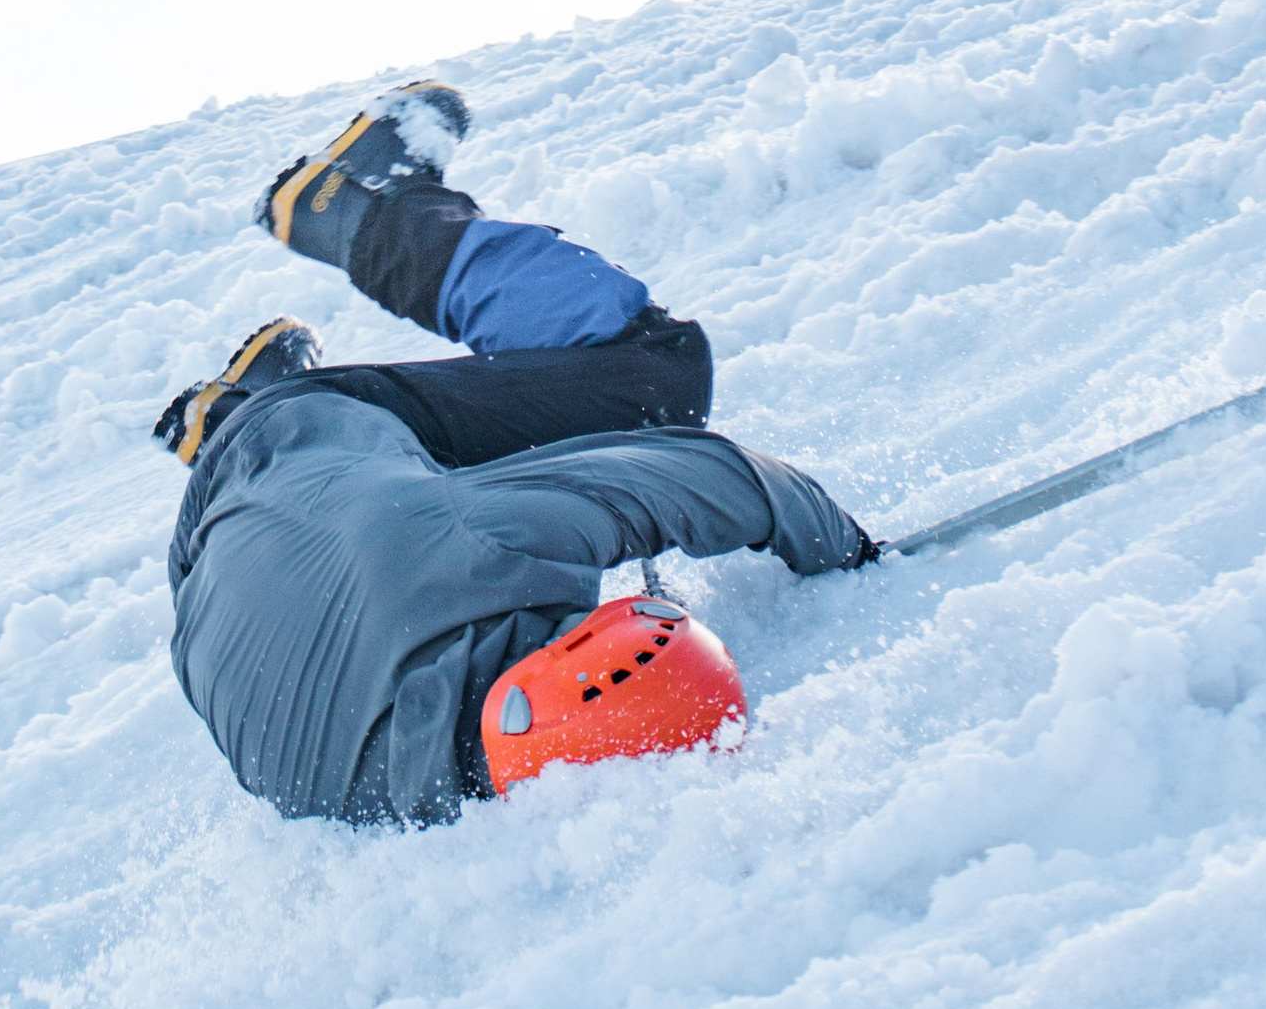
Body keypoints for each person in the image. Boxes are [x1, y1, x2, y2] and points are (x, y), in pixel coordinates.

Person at [153, 81, 877, 825]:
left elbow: (710, 475)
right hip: (204, 550)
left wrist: (845, 553)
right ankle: (229, 418)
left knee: (656, 378)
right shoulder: (340, 800)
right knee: (362, 510)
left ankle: (368, 209)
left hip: (320, 431)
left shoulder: (480, 547)